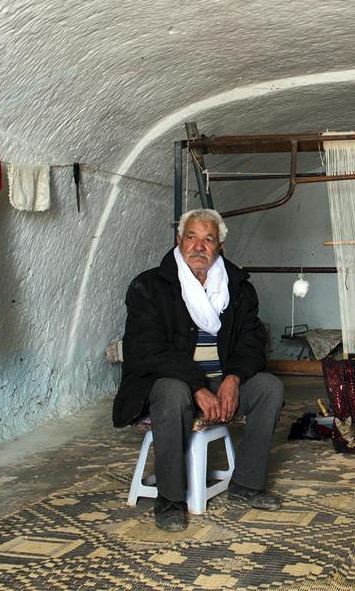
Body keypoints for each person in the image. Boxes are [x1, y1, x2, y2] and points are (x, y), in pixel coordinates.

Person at [112, 208, 284, 531]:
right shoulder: (150, 286)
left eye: (208, 239)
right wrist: (197, 386)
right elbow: (147, 350)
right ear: (179, 241)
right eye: (191, 237)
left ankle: (246, 486)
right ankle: (171, 500)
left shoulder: (238, 288)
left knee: (269, 388)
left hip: (219, 380)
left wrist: (233, 379)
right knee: (172, 392)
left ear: (219, 246)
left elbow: (251, 340)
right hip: (171, 385)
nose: (199, 247)